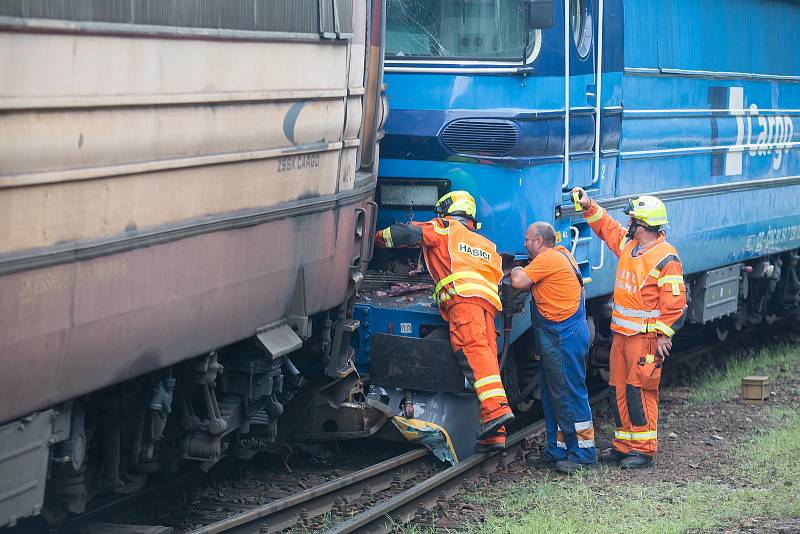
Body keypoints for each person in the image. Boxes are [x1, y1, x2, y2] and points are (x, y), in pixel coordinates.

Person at [374, 190, 514, 453]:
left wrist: (374, 238)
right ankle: (495, 435)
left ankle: (496, 413)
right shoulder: (487, 245)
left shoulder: (445, 228)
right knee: (486, 362)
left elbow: (407, 234)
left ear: (447, 211)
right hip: (488, 307)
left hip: (463, 302)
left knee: (473, 356)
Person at [573, 187, 686, 469]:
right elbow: (607, 228)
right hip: (621, 336)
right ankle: (624, 444)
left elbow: (675, 304)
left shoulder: (666, 258)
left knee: (640, 391)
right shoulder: (630, 245)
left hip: (645, 339)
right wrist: (588, 206)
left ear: (644, 224)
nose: (627, 224)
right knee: (618, 389)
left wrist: (662, 336)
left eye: (632, 220)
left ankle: (644, 448)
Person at [510, 222, 596, 474]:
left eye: (527, 239)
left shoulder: (547, 259)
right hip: (560, 334)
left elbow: (518, 281)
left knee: (569, 393)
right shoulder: (562, 254)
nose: (525, 244)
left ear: (539, 241)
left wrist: (514, 266)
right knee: (552, 394)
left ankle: (584, 453)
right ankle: (557, 449)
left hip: (563, 336)